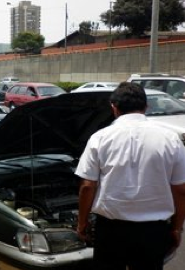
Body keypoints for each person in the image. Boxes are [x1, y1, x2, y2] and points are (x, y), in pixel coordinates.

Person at [76, 82, 185, 270]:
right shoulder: (171, 139)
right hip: (153, 231)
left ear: (114, 107)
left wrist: (82, 223)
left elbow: (87, 186)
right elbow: (181, 190)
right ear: (146, 106)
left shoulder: (100, 138)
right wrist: (177, 227)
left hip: (111, 231)